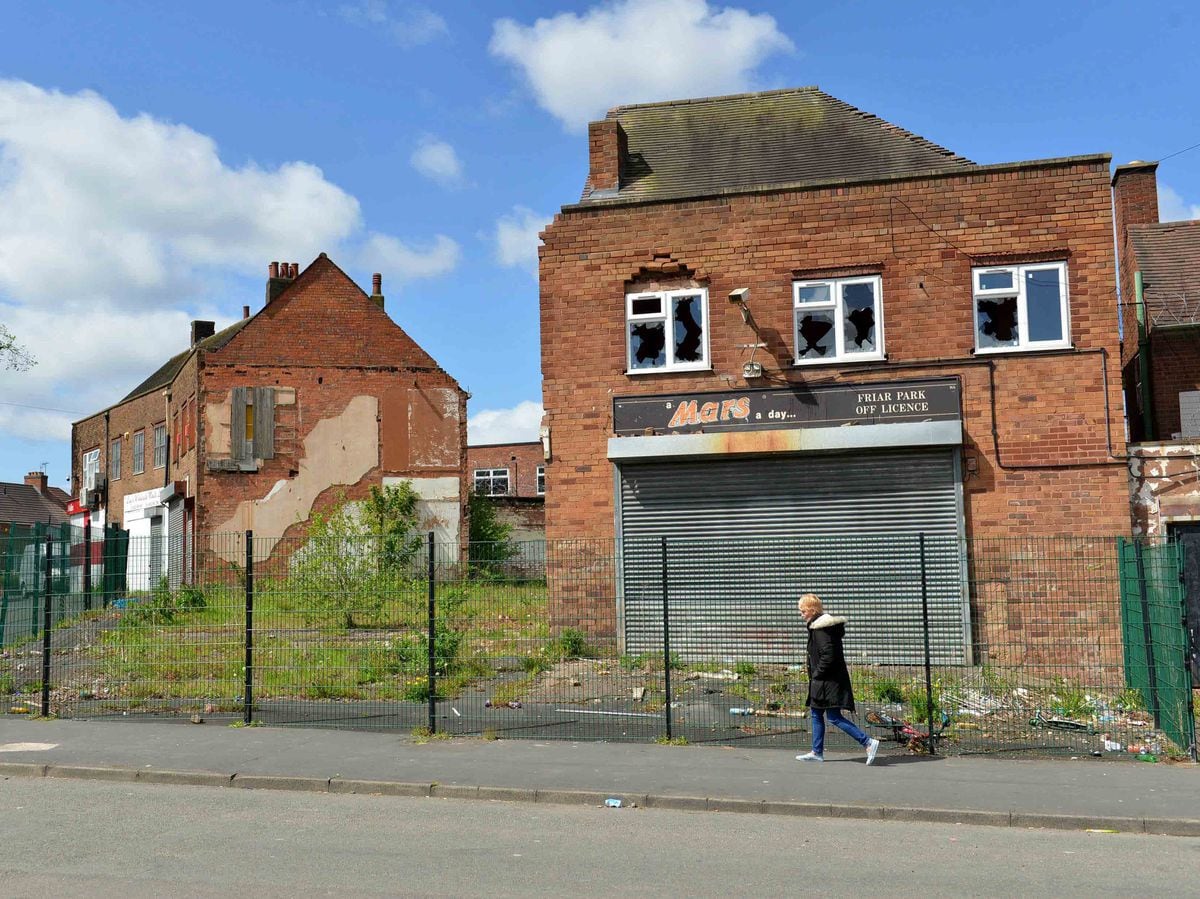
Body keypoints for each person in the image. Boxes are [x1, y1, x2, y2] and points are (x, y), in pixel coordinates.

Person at [795, 593, 880, 764]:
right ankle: (817, 752)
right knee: (816, 713)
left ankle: (868, 742)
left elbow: (828, 655)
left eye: (803, 611)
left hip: (828, 682)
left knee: (833, 716)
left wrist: (817, 673)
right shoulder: (819, 627)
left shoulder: (821, 629)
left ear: (811, 610)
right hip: (823, 681)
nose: (801, 614)